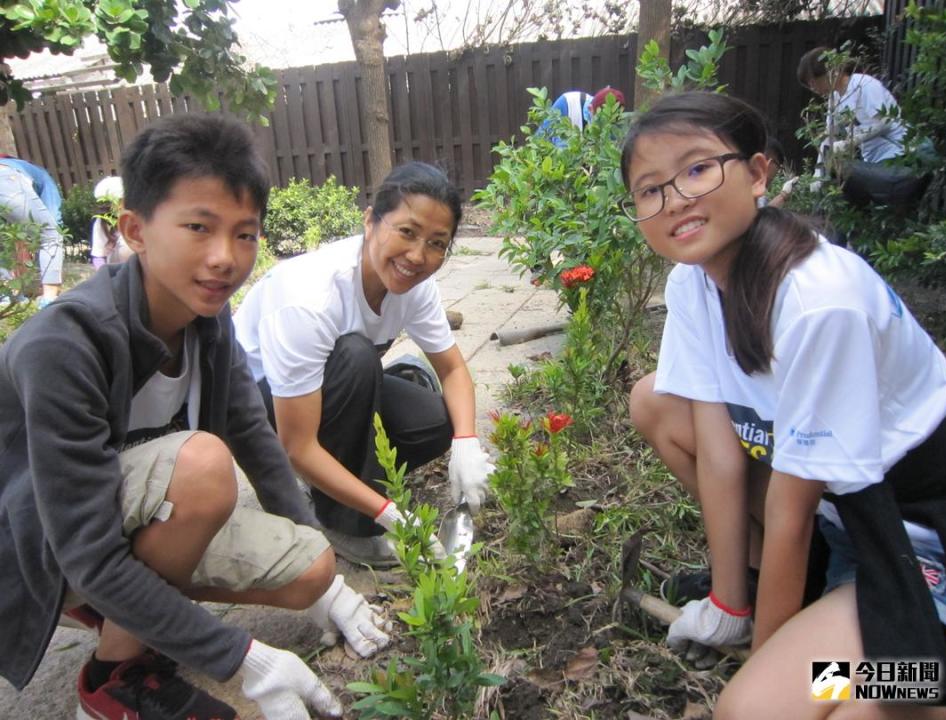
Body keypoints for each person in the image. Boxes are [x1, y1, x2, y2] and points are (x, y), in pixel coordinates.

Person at [0, 113, 392, 720]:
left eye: (244, 234)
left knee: (310, 566)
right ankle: (113, 680)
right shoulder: (65, 344)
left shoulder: (206, 321)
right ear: (135, 229)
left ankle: (124, 611)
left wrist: (332, 579)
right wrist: (243, 658)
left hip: (115, 522)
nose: (224, 258)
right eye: (198, 227)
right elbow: (86, 550)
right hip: (36, 548)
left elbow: (258, 442)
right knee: (204, 466)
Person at [622, 91, 946, 717]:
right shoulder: (694, 282)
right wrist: (730, 607)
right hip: (842, 518)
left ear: (756, 173)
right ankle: (790, 608)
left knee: (786, 705)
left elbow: (790, 510)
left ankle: (932, 683)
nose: (676, 199)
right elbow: (720, 452)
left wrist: (768, 664)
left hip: (917, 537)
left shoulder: (818, 302)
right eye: (650, 189)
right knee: (656, 401)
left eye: (697, 169)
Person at [234, 161, 494, 569]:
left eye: (437, 243)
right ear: (370, 221)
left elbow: (454, 370)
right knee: (356, 357)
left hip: (326, 390)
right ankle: (344, 522)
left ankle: (341, 478)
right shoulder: (310, 297)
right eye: (406, 232)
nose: (418, 255)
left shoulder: (416, 286)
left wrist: (466, 442)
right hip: (261, 412)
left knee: (437, 420)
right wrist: (386, 512)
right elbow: (296, 444)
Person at [796, 47, 929, 208]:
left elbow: (884, 121)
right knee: (836, 178)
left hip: (900, 158)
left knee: (842, 169)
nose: (813, 89)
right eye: (809, 86)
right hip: (877, 163)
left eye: (812, 82)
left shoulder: (864, 84)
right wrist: (817, 172)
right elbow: (830, 136)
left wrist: (850, 142)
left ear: (830, 70)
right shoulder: (835, 97)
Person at [0, 155, 65, 304]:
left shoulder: (14, 164)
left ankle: (7, 297)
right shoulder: (44, 178)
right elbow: (54, 220)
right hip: (5, 180)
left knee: (3, 242)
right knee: (50, 236)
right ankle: (49, 299)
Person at [538, 86, 626, 145]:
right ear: (590, 109)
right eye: (600, 120)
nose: (602, 126)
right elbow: (539, 140)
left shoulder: (615, 125)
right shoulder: (567, 103)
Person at [90, 175, 133, 268]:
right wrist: (103, 275)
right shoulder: (102, 223)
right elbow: (98, 256)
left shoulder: (138, 217)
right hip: (117, 272)